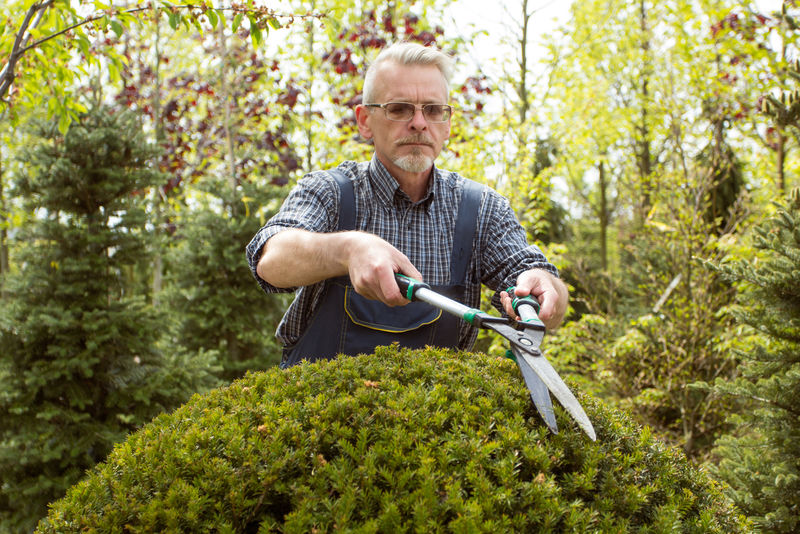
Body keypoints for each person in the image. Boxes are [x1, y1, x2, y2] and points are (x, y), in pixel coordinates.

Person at [246, 42, 568, 367]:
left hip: (435, 400)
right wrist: (348, 249)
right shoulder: (330, 192)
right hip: (321, 399)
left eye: (433, 110)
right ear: (364, 120)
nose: (419, 122)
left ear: (447, 123)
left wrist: (544, 289)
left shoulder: (482, 210)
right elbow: (271, 262)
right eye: (399, 109)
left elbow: (539, 289)